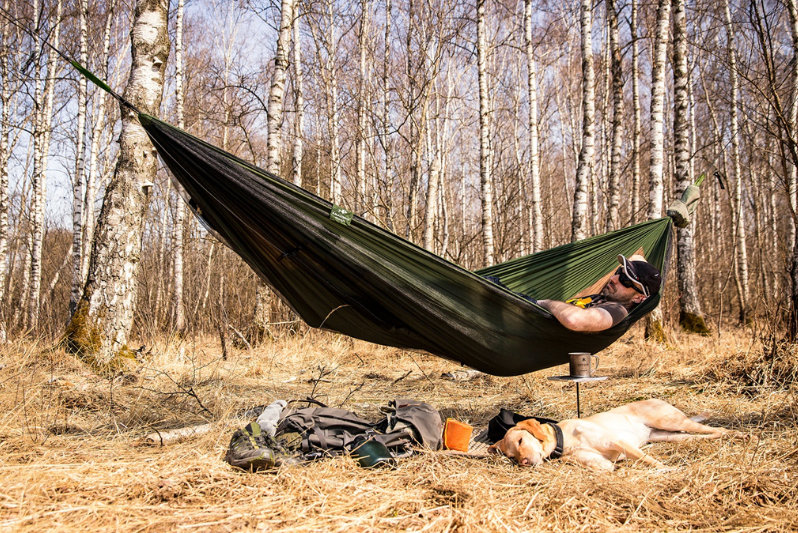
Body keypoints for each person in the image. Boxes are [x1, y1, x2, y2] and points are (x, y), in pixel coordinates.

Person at [536, 254, 662, 333]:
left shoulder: (617, 310)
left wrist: (544, 303)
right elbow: (636, 257)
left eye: (625, 280)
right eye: (619, 272)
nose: (613, 279)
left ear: (639, 297)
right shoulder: (607, 295)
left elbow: (573, 320)